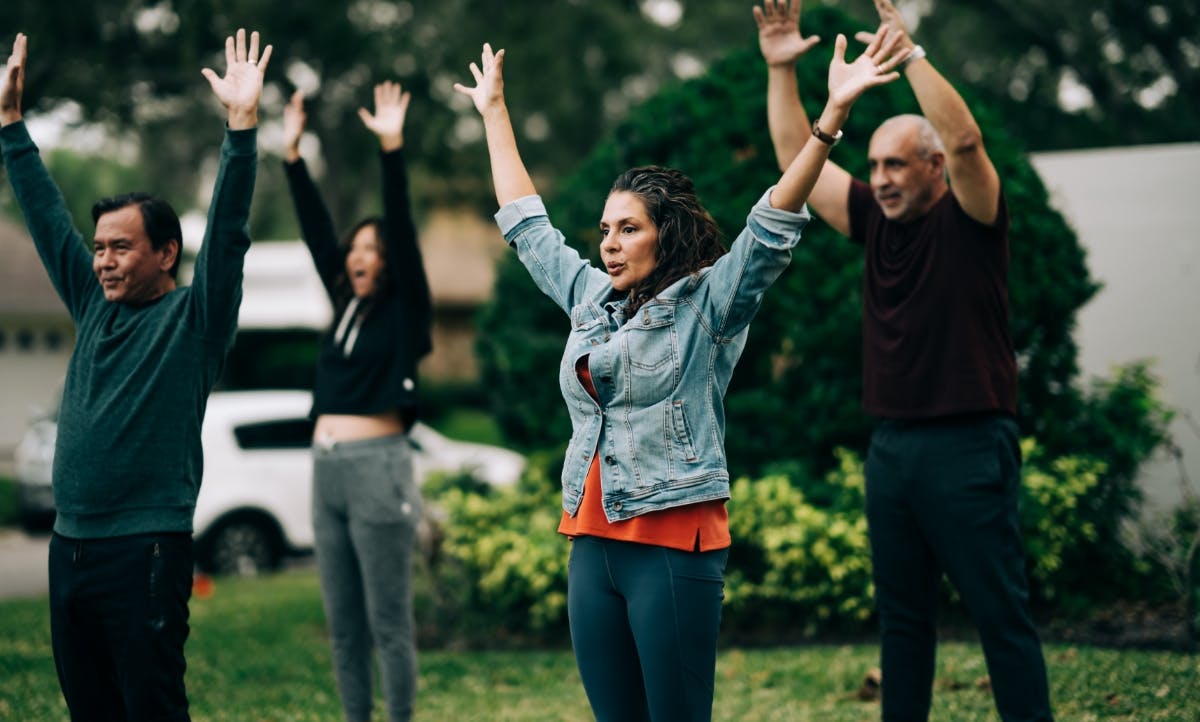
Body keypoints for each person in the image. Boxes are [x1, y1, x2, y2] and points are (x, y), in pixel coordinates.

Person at [453, 31, 908, 722]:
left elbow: (770, 227)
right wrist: (493, 113)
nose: (608, 242)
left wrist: (830, 121)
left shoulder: (709, 308)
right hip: (590, 547)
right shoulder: (589, 300)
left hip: (671, 546)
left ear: (663, 233)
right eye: (605, 229)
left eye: (628, 229)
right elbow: (529, 229)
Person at [754, 0, 1055, 720]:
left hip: (969, 445)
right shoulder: (871, 220)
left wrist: (912, 56)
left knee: (1000, 620)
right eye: (876, 165)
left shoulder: (974, 218)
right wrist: (782, 69)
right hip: (891, 448)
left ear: (933, 168)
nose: (882, 177)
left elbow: (971, 142)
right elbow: (799, 156)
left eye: (897, 164)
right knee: (903, 625)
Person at [0, 28, 270, 721]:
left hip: (145, 550)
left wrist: (241, 131)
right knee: (90, 708)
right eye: (99, 249)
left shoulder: (195, 320)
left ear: (166, 254)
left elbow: (232, 233)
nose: (104, 260)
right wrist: (10, 127)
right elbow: (45, 219)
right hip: (71, 547)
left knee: (149, 708)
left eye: (122, 247)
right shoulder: (92, 306)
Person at [280, 79, 432, 722]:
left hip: (379, 468)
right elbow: (318, 232)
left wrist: (391, 150)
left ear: (390, 262)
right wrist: (292, 157)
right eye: (356, 248)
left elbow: (398, 222)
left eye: (374, 250)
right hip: (329, 472)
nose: (361, 255)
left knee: (387, 624)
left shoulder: (406, 311)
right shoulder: (344, 305)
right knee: (342, 626)